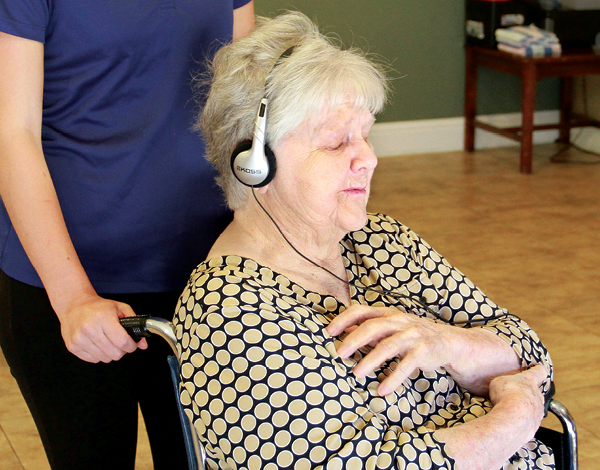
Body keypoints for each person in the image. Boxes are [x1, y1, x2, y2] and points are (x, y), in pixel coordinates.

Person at [173, 11, 555, 470]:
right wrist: (515, 416)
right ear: (255, 164)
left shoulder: (382, 239)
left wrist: (452, 344)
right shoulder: (232, 316)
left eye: (367, 136)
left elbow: (532, 358)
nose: (368, 159)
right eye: (337, 143)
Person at [0, 1, 254, 469]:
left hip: (208, 277)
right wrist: (73, 297)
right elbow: (12, 135)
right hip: (68, 280)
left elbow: (239, 113)